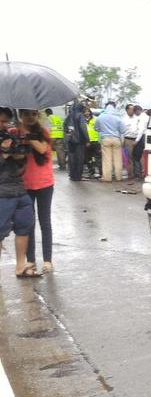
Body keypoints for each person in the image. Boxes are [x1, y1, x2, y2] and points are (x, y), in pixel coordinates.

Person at [0, 107, 40, 278]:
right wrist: (3, 154)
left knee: (24, 227)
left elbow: (23, 158)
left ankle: (20, 266)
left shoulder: (10, 135)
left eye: (6, 122)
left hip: (19, 189)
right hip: (2, 192)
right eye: (1, 121)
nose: (4, 125)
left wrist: (18, 155)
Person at [18, 109, 55, 273]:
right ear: (20, 116)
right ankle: (30, 260)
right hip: (25, 184)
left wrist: (27, 135)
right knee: (28, 224)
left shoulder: (44, 132)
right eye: (26, 114)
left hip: (45, 184)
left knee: (44, 221)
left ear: (38, 116)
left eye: (33, 114)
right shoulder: (15, 133)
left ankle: (47, 260)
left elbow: (41, 149)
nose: (30, 117)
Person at [94, 101, 126, 182]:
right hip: (116, 139)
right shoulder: (118, 117)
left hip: (105, 139)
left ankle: (107, 178)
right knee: (118, 159)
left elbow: (96, 128)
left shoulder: (100, 117)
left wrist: (103, 130)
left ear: (106, 107)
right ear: (114, 107)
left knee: (107, 159)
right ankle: (119, 177)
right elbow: (123, 130)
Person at [64, 100, 90, 181]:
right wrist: (87, 140)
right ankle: (78, 176)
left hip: (70, 141)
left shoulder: (68, 116)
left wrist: (69, 134)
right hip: (79, 141)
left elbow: (64, 127)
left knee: (71, 159)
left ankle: (72, 175)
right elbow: (83, 128)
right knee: (80, 159)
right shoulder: (80, 116)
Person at [130, 106, 149, 180]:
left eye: (135, 112)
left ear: (137, 111)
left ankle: (138, 174)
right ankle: (141, 173)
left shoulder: (142, 118)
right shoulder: (147, 117)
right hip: (145, 137)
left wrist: (136, 141)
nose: (135, 114)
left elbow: (141, 130)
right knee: (141, 156)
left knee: (136, 156)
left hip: (142, 138)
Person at [122, 103, 138, 179]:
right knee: (129, 157)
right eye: (131, 109)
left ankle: (137, 173)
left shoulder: (137, 118)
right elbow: (122, 131)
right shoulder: (124, 119)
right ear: (127, 110)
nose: (133, 110)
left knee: (137, 156)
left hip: (137, 139)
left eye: (133, 109)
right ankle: (131, 174)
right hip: (128, 139)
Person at [85, 108, 101, 179]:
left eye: (88, 111)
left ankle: (101, 172)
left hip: (96, 141)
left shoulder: (96, 119)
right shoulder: (82, 120)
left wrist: (100, 141)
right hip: (87, 141)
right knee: (88, 158)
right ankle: (91, 171)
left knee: (98, 157)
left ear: (90, 112)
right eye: (85, 112)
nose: (87, 113)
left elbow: (100, 130)